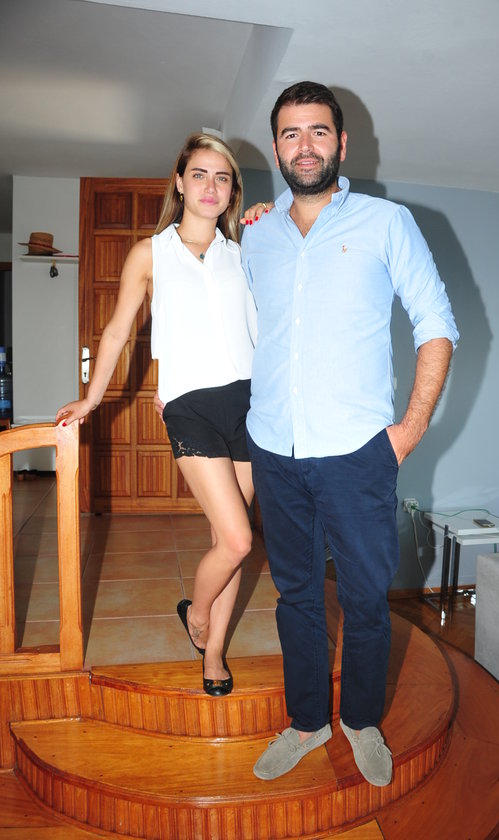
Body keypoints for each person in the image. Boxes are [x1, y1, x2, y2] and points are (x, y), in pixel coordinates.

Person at [240, 81, 459, 785]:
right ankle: (307, 721)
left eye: (318, 131)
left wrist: (409, 430)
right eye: (291, 133)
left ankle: (361, 720)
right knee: (297, 597)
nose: (305, 146)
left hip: (360, 454)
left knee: (365, 599)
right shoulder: (256, 234)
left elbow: (436, 325)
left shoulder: (387, 222)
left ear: (342, 141)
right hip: (275, 449)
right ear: (277, 147)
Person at [56, 133, 257, 697]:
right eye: (200, 174)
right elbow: (119, 329)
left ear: (232, 190)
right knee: (239, 539)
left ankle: (212, 653)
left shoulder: (243, 254)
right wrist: (93, 398)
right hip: (191, 406)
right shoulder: (151, 253)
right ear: (180, 182)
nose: (211, 186)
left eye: (222, 177)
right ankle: (198, 612)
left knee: (227, 539)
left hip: (250, 404)